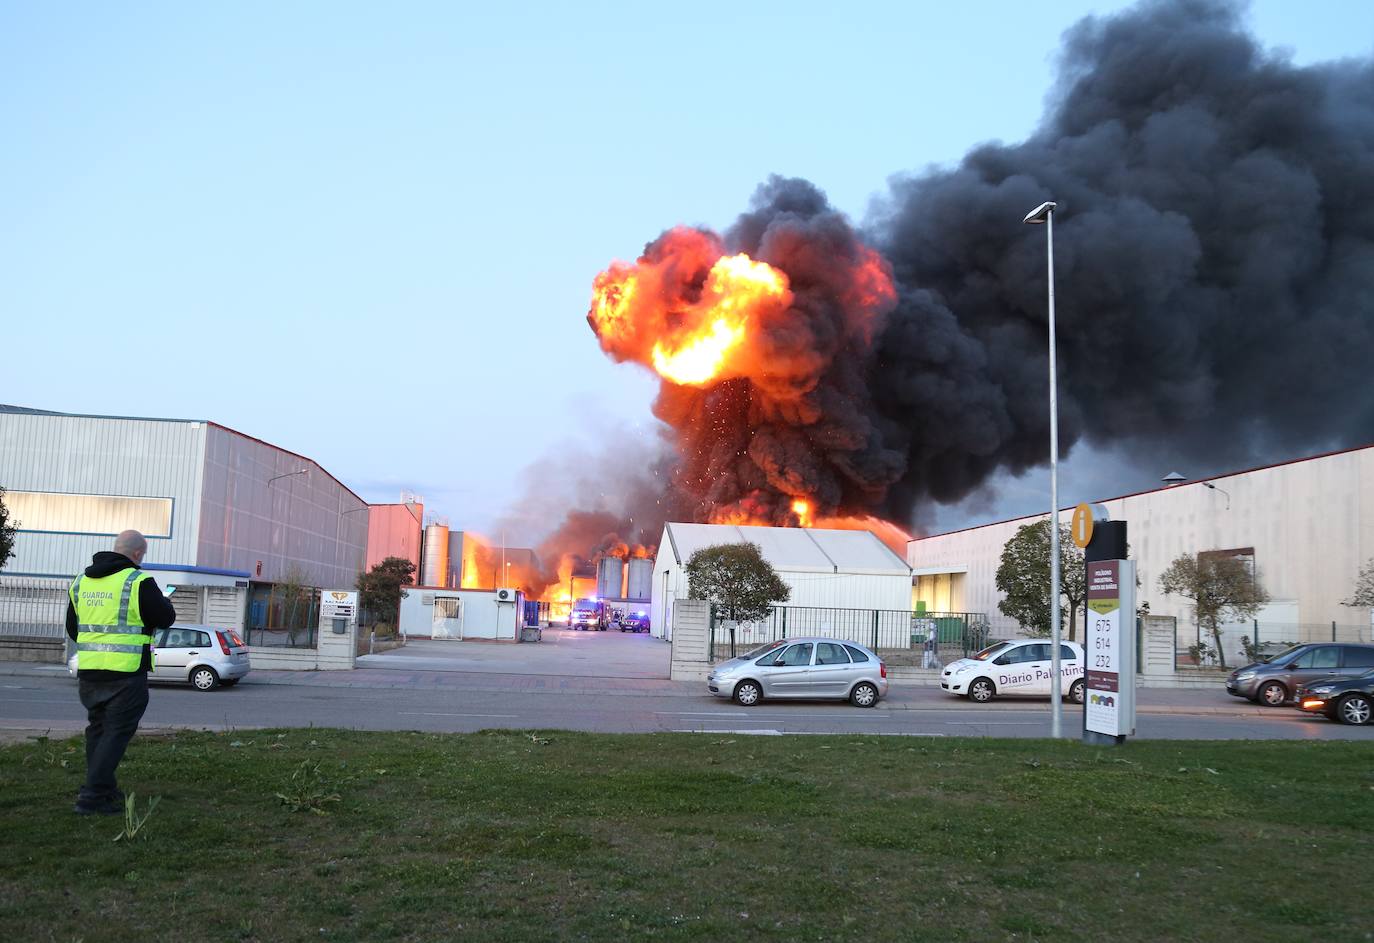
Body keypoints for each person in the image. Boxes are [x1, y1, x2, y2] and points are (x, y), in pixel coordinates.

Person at [65, 529, 177, 815]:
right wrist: (166, 602)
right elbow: (164, 618)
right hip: (125, 674)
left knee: (98, 730)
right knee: (116, 732)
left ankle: (102, 789)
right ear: (138, 554)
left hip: (90, 672)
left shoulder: (81, 582)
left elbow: (72, 628)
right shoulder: (138, 580)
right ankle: (91, 797)